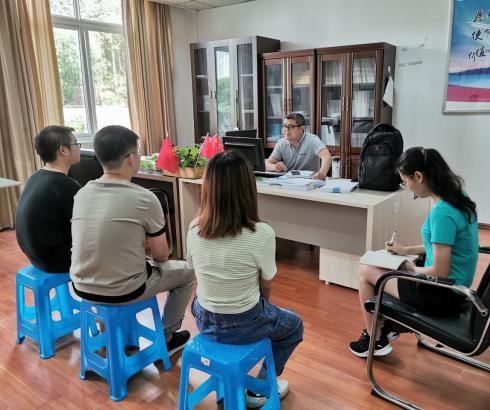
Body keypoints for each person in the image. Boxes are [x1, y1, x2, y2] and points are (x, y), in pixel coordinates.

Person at [186, 150, 304, 408]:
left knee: (203, 301)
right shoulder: (262, 233)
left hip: (204, 317)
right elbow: (266, 285)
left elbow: (194, 271)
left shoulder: (194, 228)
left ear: (208, 189)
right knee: (294, 325)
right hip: (244, 321)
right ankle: (260, 388)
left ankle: (231, 382)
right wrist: (262, 309)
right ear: (248, 189)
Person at [70, 125, 195, 356]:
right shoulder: (145, 198)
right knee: (188, 273)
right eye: (137, 152)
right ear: (130, 158)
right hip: (125, 290)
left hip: (81, 287)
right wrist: (143, 245)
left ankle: (109, 334)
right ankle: (167, 338)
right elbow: (161, 255)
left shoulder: (82, 193)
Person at [349, 147, 478, 358]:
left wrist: (409, 267)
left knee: (365, 271)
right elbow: (442, 246)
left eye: (405, 181)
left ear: (418, 176)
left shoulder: (442, 213)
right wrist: (405, 251)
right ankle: (387, 326)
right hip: (456, 288)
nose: (407, 188)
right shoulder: (458, 198)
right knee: (383, 267)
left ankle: (375, 337)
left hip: (440, 292)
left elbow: (440, 271)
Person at [16, 125, 81, 273]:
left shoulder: (36, 176)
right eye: (76, 144)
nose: (78, 149)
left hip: (37, 257)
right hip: (56, 260)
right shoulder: (64, 185)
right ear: (63, 150)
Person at [266, 112, 332, 180]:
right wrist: (275, 167)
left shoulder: (312, 140)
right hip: (288, 181)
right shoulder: (281, 143)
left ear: (302, 128)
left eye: (291, 127)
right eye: (285, 126)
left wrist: (322, 173)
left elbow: (327, 156)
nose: (286, 130)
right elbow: (267, 163)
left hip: (310, 181)